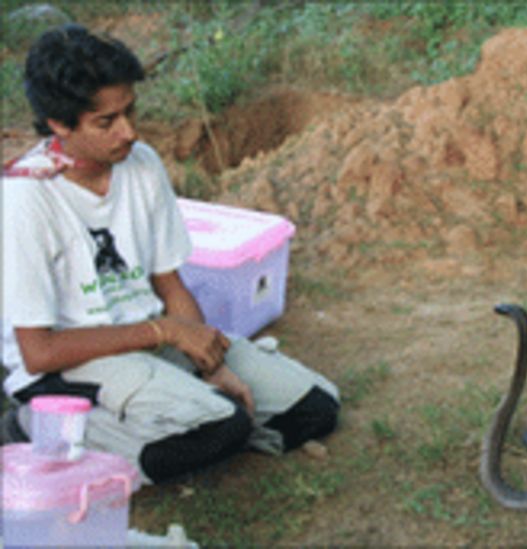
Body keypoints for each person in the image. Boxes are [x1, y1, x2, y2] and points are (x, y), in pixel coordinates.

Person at [2, 24, 341, 483]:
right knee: (220, 425)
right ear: (59, 125)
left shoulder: (141, 164)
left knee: (317, 408)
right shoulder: (24, 199)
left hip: (152, 341)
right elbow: (39, 353)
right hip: (68, 365)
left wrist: (209, 363)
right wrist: (165, 330)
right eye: (106, 122)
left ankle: (200, 422)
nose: (128, 131)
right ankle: (33, 426)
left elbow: (169, 283)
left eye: (130, 110)